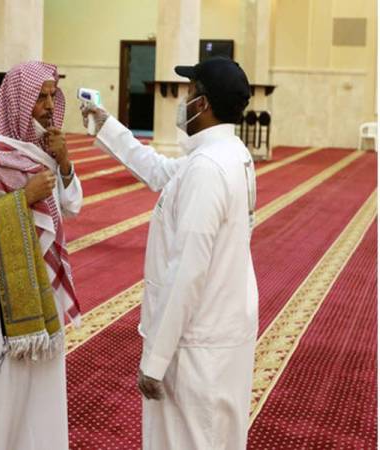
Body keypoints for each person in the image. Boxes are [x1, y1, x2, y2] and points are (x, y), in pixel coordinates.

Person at [82, 56, 258, 450]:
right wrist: (106, 125)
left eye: (191, 92)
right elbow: (160, 171)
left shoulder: (208, 169)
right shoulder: (229, 154)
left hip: (197, 343)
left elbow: (187, 271)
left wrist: (155, 361)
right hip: (222, 330)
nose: (185, 99)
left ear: (205, 104)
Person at [0, 61, 82, 450]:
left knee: (43, 390)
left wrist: (66, 164)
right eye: (39, 96)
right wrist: (24, 198)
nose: (46, 104)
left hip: (44, 294)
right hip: (0, 297)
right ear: (17, 101)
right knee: (3, 391)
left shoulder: (44, 151)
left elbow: (71, 205)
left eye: (52, 95)